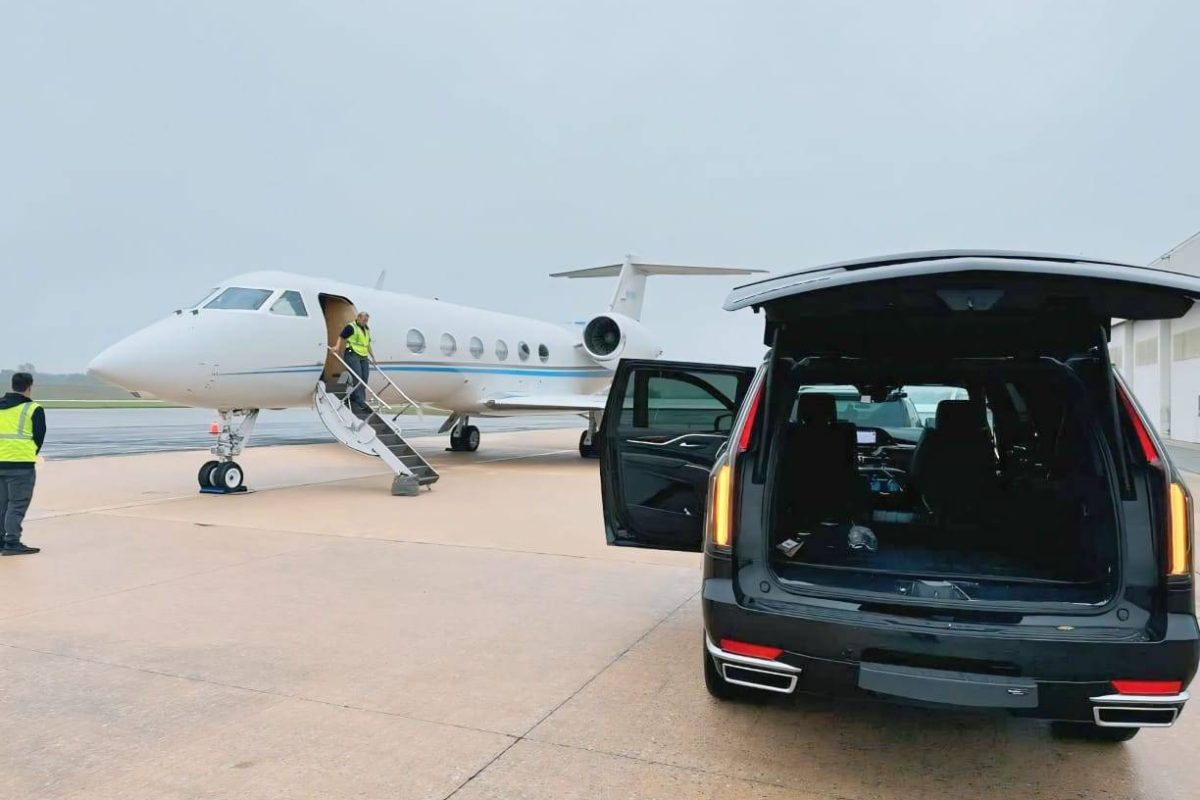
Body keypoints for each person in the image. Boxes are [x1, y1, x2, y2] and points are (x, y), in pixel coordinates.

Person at [0, 372, 45, 556]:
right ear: (29, 386)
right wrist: (29, 453)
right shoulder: (33, 408)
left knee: (2, 505)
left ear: (12, 385)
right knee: (17, 505)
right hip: (21, 465)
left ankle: (1, 540)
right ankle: (12, 542)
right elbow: (39, 436)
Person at [334, 312, 375, 411]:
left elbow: (367, 344)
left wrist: (373, 357)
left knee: (364, 378)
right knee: (358, 377)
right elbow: (341, 337)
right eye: (364, 320)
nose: (365, 322)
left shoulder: (366, 329)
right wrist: (337, 347)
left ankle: (356, 398)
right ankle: (359, 401)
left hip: (363, 356)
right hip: (352, 354)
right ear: (358, 318)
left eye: (367, 321)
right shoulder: (351, 327)